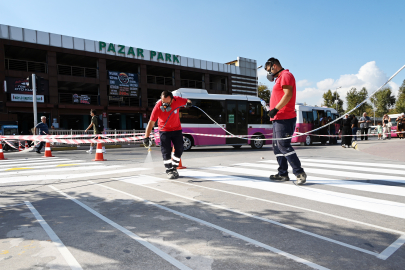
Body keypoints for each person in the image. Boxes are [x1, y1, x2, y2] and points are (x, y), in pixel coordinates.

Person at [264, 57, 307, 185]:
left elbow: (288, 94)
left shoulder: (286, 75)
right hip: (278, 118)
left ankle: (299, 173)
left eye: (268, 70)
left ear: (274, 66)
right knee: (277, 147)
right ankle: (283, 173)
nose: (269, 74)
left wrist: (275, 109)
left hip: (284, 117)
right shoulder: (279, 78)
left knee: (283, 145)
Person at [143, 91, 192, 179]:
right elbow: (151, 123)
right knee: (166, 151)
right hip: (164, 130)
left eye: (167, 102)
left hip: (177, 130)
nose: (164, 104)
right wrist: (146, 137)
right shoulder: (158, 106)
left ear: (172, 100)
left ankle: (174, 167)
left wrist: (188, 104)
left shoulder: (177, 100)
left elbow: (187, 101)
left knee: (180, 148)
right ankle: (169, 170)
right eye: (163, 101)